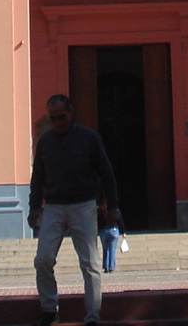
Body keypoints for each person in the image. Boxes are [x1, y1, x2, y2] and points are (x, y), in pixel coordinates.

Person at [28, 93, 121, 326]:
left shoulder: (89, 138)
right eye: (54, 118)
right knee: (43, 260)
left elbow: (106, 173)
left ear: (71, 113)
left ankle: (92, 316)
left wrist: (113, 206)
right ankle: (49, 309)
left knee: (90, 263)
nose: (58, 122)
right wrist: (33, 208)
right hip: (54, 208)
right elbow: (37, 177)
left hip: (83, 206)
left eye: (62, 117)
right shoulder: (45, 141)